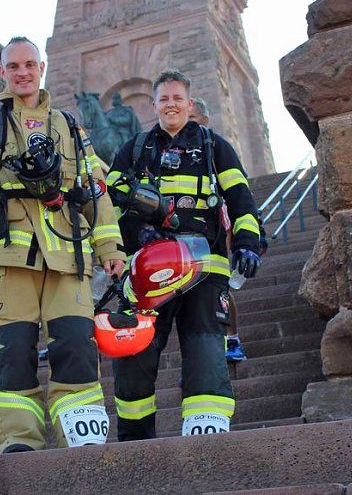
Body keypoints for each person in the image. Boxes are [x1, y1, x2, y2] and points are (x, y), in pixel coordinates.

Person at [0, 36, 126, 453]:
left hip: (69, 257)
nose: (22, 72)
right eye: (14, 66)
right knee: (13, 353)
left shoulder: (71, 127)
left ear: (42, 68)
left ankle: (81, 433)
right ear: (2, 72)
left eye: (29, 64)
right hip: (10, 259)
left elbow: (96, 192)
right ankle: (21, 443)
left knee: (75, 345)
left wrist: (111, 251)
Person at [107, 69, 262, 440]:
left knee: (206, 348)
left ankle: (206, 435)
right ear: (155, 104)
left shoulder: (214, 146)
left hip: (204, 267)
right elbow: (107, 203)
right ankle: (136, 439)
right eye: (164, 99)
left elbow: (241, 198)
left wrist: (247, 243)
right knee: (134, 354)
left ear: (189, 104)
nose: (171, 104)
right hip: (146, 268)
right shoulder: (135, 147)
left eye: (177, 98)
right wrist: (120, 239)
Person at [189, 98, 245, 362]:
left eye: (192, 120)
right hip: (185, 230)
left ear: (205, 121)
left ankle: (232, 339)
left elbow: (240, 193)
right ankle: (202, 354)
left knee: (221, 286)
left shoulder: (216, 147)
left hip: (218, 225)